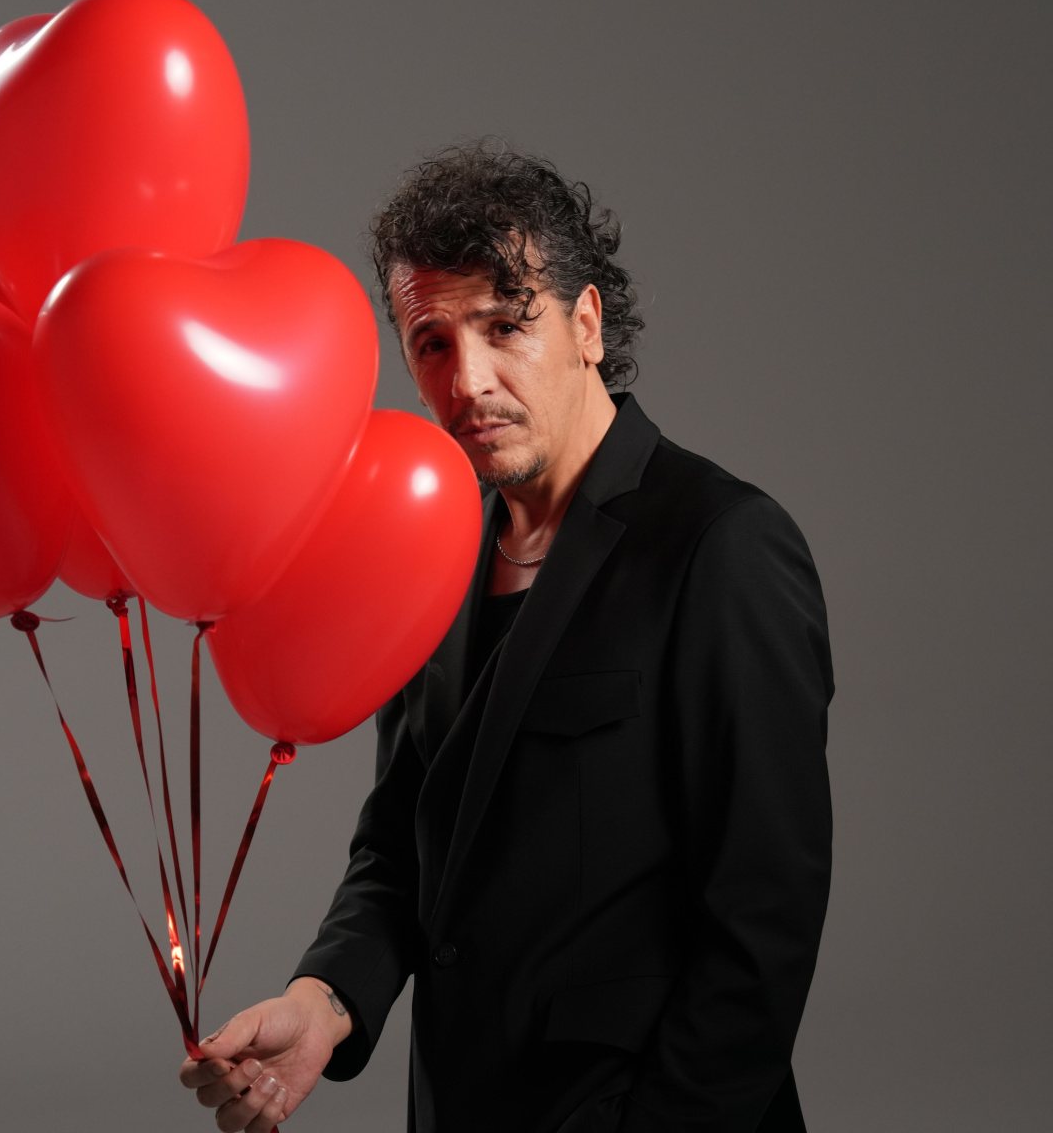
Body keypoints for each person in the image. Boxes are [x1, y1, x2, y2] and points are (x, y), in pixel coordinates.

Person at [180, 144, 834, 1133]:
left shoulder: (721, 544)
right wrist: (324, 1001)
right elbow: (403, 839)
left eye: (503, 326)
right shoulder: (432, 548)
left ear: (586, 324)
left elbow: (764, 917)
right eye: (432, 342)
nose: (469, 379)